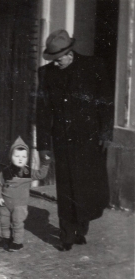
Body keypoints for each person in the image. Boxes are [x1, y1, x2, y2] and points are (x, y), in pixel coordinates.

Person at [36, 29, 114, 251]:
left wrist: (106, 133)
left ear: (70, 53)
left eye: (58, 58)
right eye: (53, 59)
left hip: (91, 139)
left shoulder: (93, 66)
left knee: (88, 186)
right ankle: (66, 235)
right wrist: (43, 146)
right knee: (66, 188)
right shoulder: (46, 74)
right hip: (63, 140)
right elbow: (42, 112)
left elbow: (106, 102)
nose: (56, 63)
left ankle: (82, 227)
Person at [0, 136, 50, 252]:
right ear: (11, 157)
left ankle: (17, 242)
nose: (20, 159)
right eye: (17, 156)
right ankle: (6, 239)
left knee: (17, 223)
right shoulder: (6, 171)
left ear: (27, 158)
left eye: (23, 157)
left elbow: (40, 175)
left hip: (20, 205)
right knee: (4, 222)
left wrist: (45, 164)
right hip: (5, 204)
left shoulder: (28, 172)